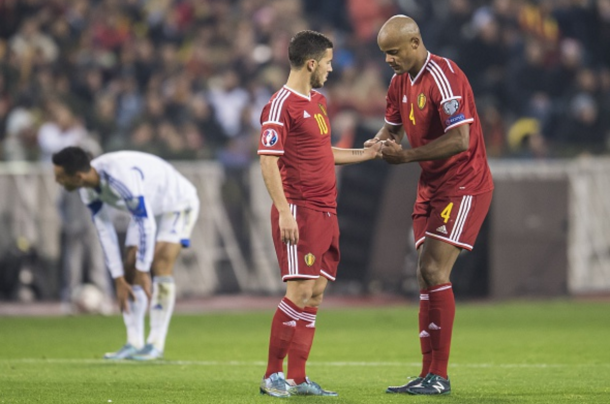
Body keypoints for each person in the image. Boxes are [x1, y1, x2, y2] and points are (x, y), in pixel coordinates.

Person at [365, 15, 494, 395]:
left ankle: (440, 375)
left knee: (434, 269)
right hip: (431, 186)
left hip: (463, 184)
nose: (388, 59)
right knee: (424, 275)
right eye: (384, 54)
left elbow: (460, 140)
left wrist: (405, 157)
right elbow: (389, 131)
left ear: (415, 42)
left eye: (393, 52)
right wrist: (365, 151)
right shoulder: (398, 82)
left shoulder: (445, 76)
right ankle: (427, 374)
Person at [257, 30, 381, 398]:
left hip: (327, 210)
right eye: (327, 62)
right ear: (311, 63)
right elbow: (267, 161)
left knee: (316, 294)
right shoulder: (280, 105)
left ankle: (297, 378)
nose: (330, 68)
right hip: (298, 207)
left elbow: (323, 152)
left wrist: (367, 153)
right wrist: (284, 212)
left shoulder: (318, 101)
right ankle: (271, 376)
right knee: (299, 291)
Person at [51, 146, 200, 361]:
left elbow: (146, 224)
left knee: (159, 264)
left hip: (177, 204)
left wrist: (143, 269)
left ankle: (155, 344)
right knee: (129, 266)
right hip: (148, 207)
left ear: (77, 176)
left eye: (60, 177)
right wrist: (119, 278)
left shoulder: (119, 177)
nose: (58, 182)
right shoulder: (87, 189)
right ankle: (134, 342)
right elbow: (104, 231)